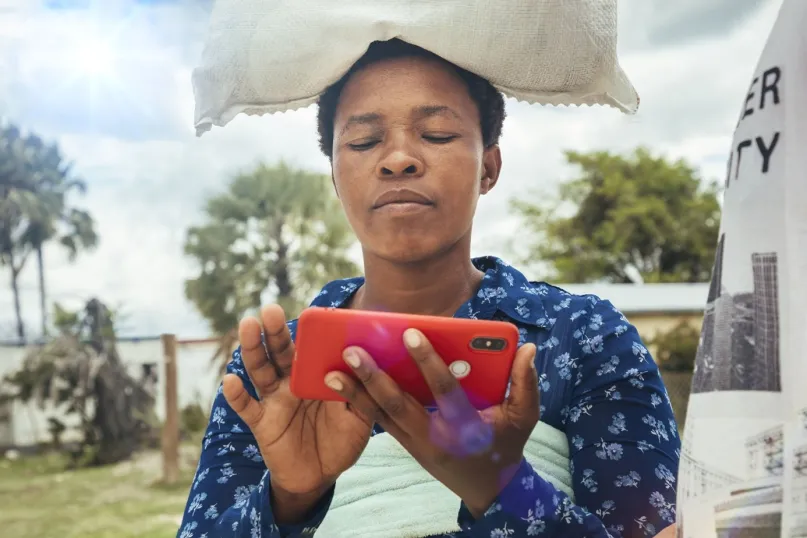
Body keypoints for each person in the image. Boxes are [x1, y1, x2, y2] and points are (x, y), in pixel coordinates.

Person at [178, 39, 680, 538]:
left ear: (489, 167)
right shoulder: (277, 369)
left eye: (437, 134)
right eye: (363, 142)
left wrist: (502, 486)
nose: (398, 159)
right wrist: (288, 498)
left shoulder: (585, 338)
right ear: (335, 174)